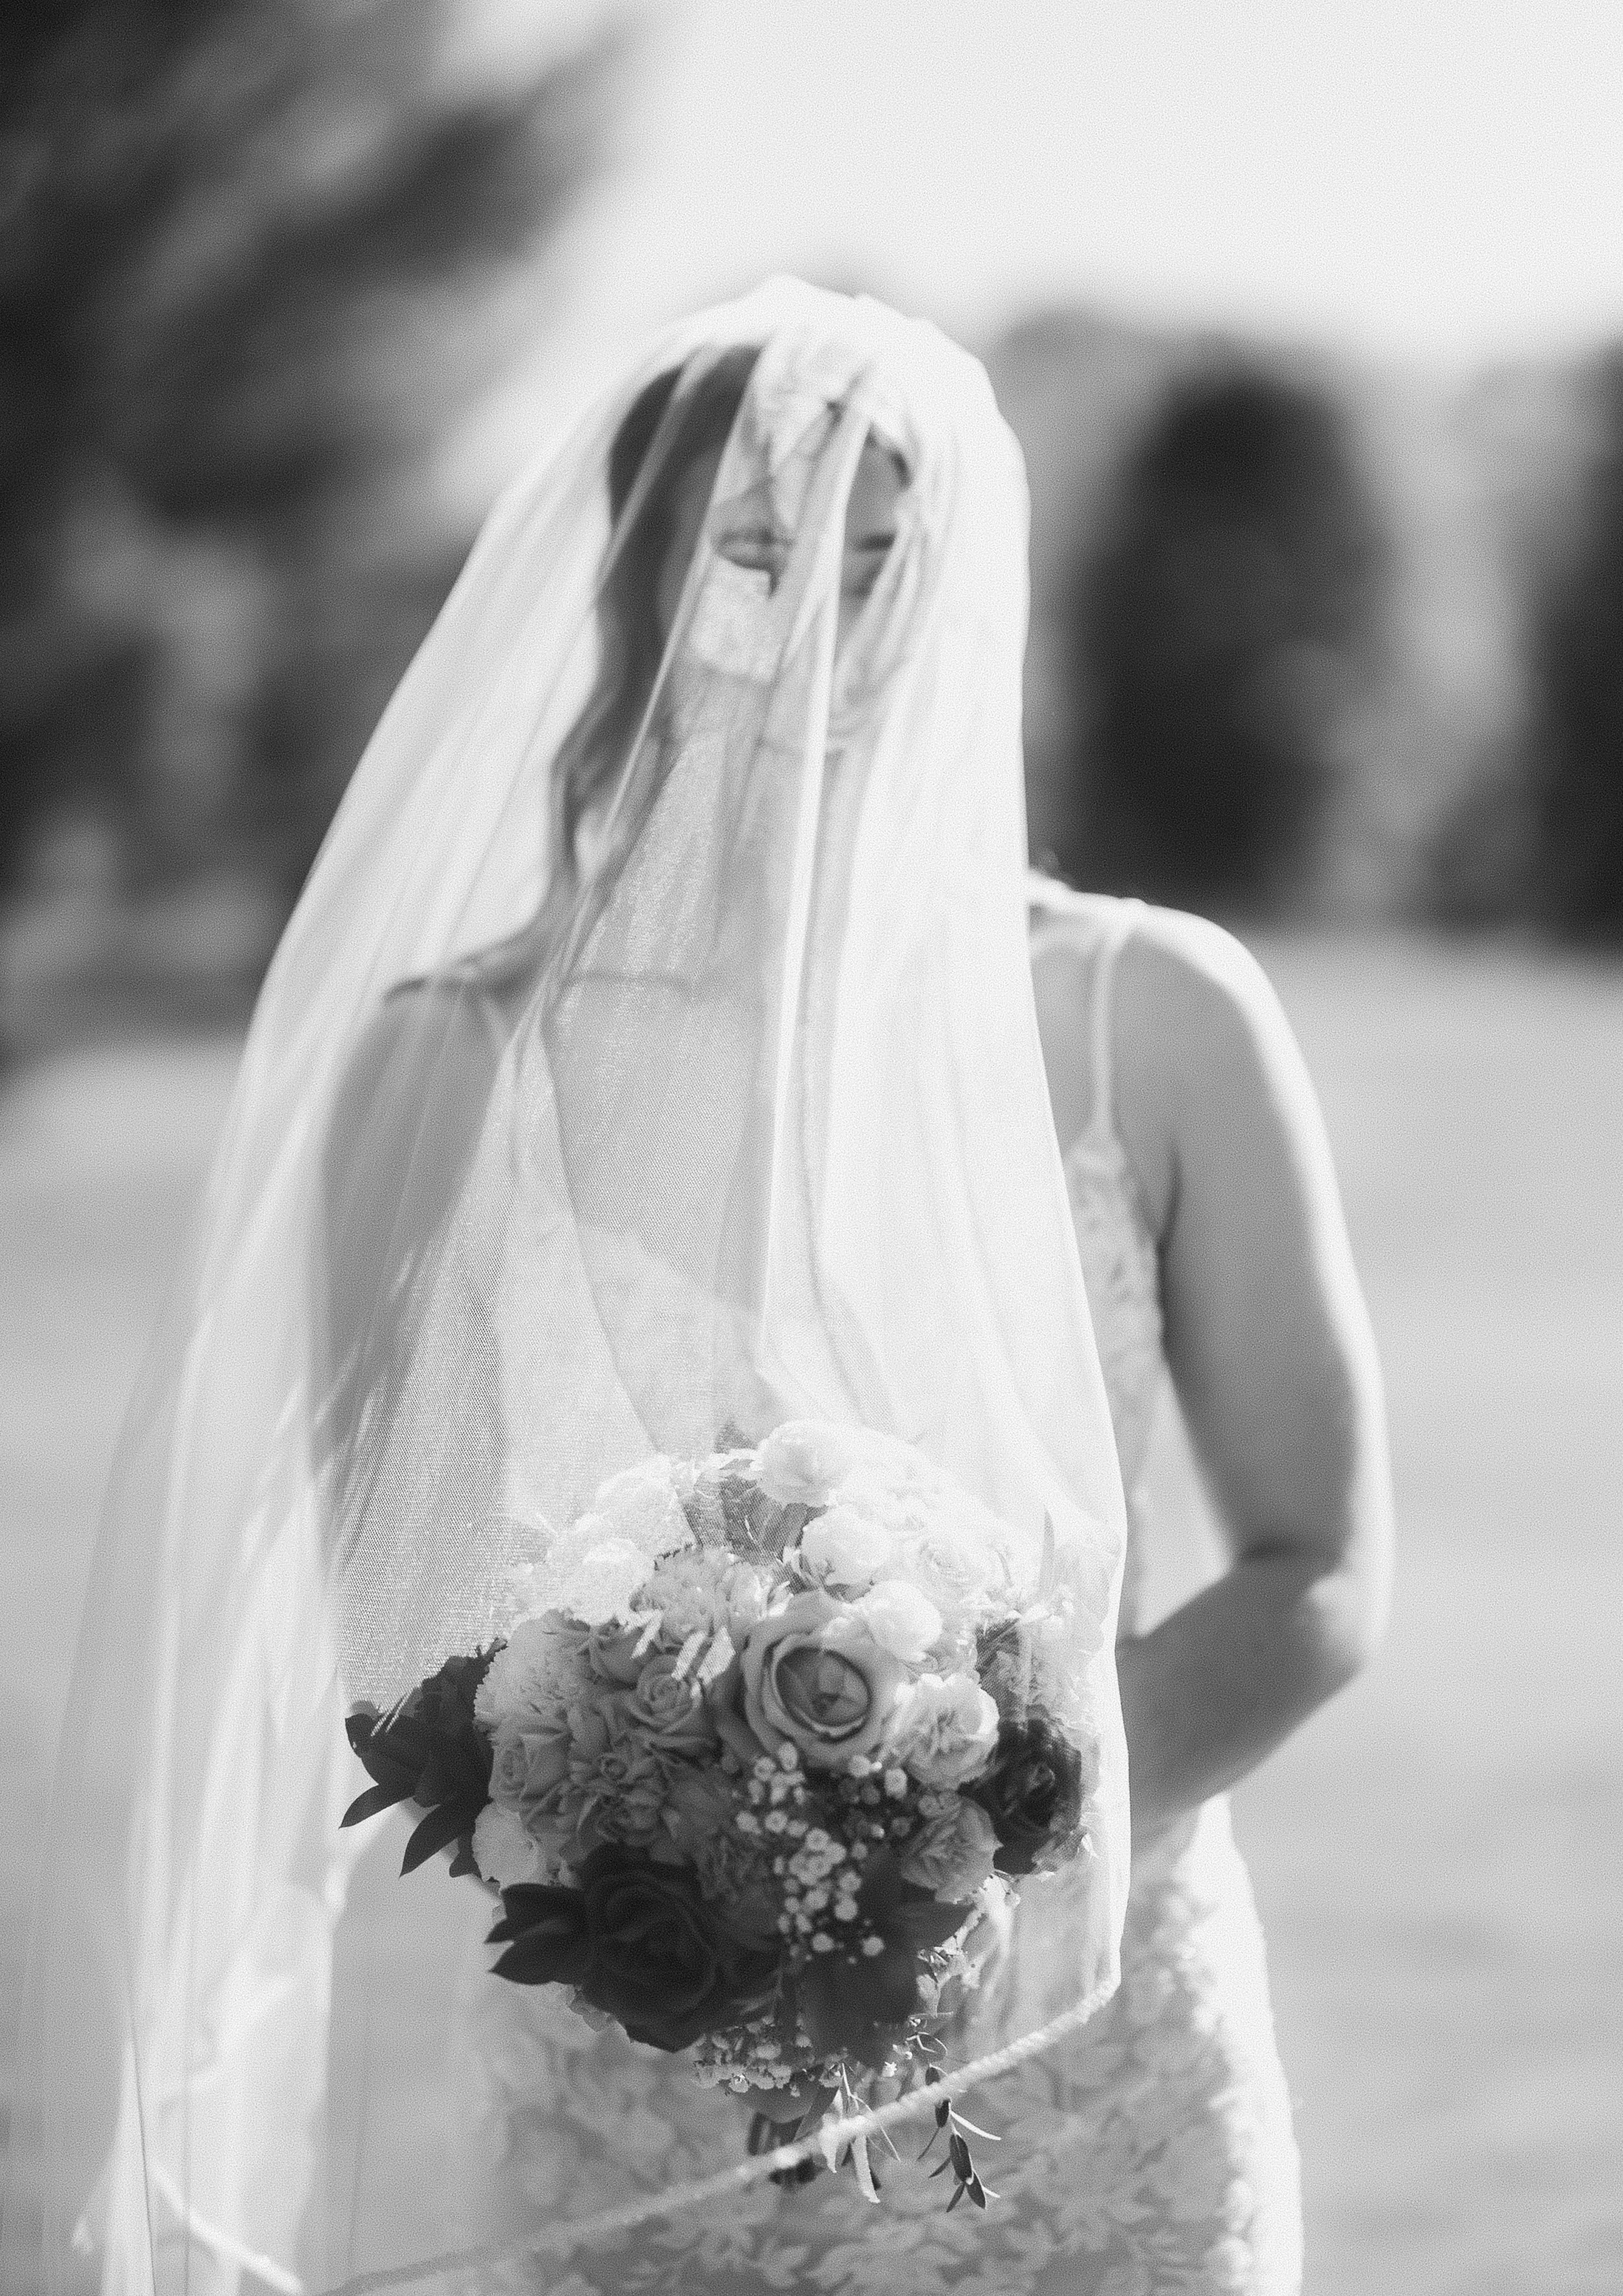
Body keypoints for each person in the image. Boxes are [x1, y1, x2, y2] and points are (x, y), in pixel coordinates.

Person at [0, 284, 1388, 2296]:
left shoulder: (1145, 1021)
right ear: (641, 591)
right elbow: (388, 1593)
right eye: (751, 560)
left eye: (882, 566)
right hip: (620, 2047)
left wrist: (990, 1863)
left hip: (1095, 2061)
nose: (820, 625)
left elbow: (1315, 1563)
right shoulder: (443, 1067)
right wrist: (676, 1819)